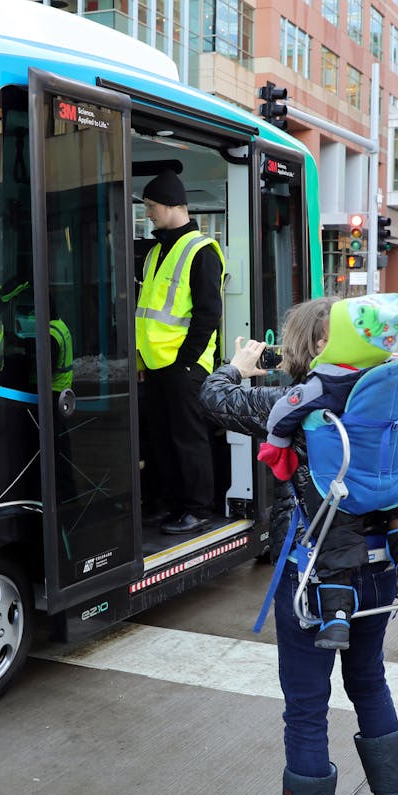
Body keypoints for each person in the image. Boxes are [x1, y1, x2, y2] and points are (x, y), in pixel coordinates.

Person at [199, 298, 398, 795]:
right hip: (378, 570)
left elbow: (214, 401)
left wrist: (239, 366)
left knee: (306, 707)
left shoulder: (296, 405)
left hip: (316, 575)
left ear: (315, 345)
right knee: (369, 681)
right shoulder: (389, 399)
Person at [255, 287, 398, 653]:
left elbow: (282, 414)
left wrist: (278, 444)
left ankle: (336, 619)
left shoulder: (327, 380)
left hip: (344, 485)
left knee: (335, 534)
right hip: (392, 481)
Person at [136, 168, 224, 536]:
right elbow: (146, 312)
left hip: (185, 367)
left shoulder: (202, 250)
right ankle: (168, 503)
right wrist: (143, 361)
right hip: (156, 365)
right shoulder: (156, 250)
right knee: (160, 439)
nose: (149, 213)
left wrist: (187, 363)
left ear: (172, 204)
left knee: (188, 439)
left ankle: (198, 508)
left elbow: (208, 313)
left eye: (152, 206)